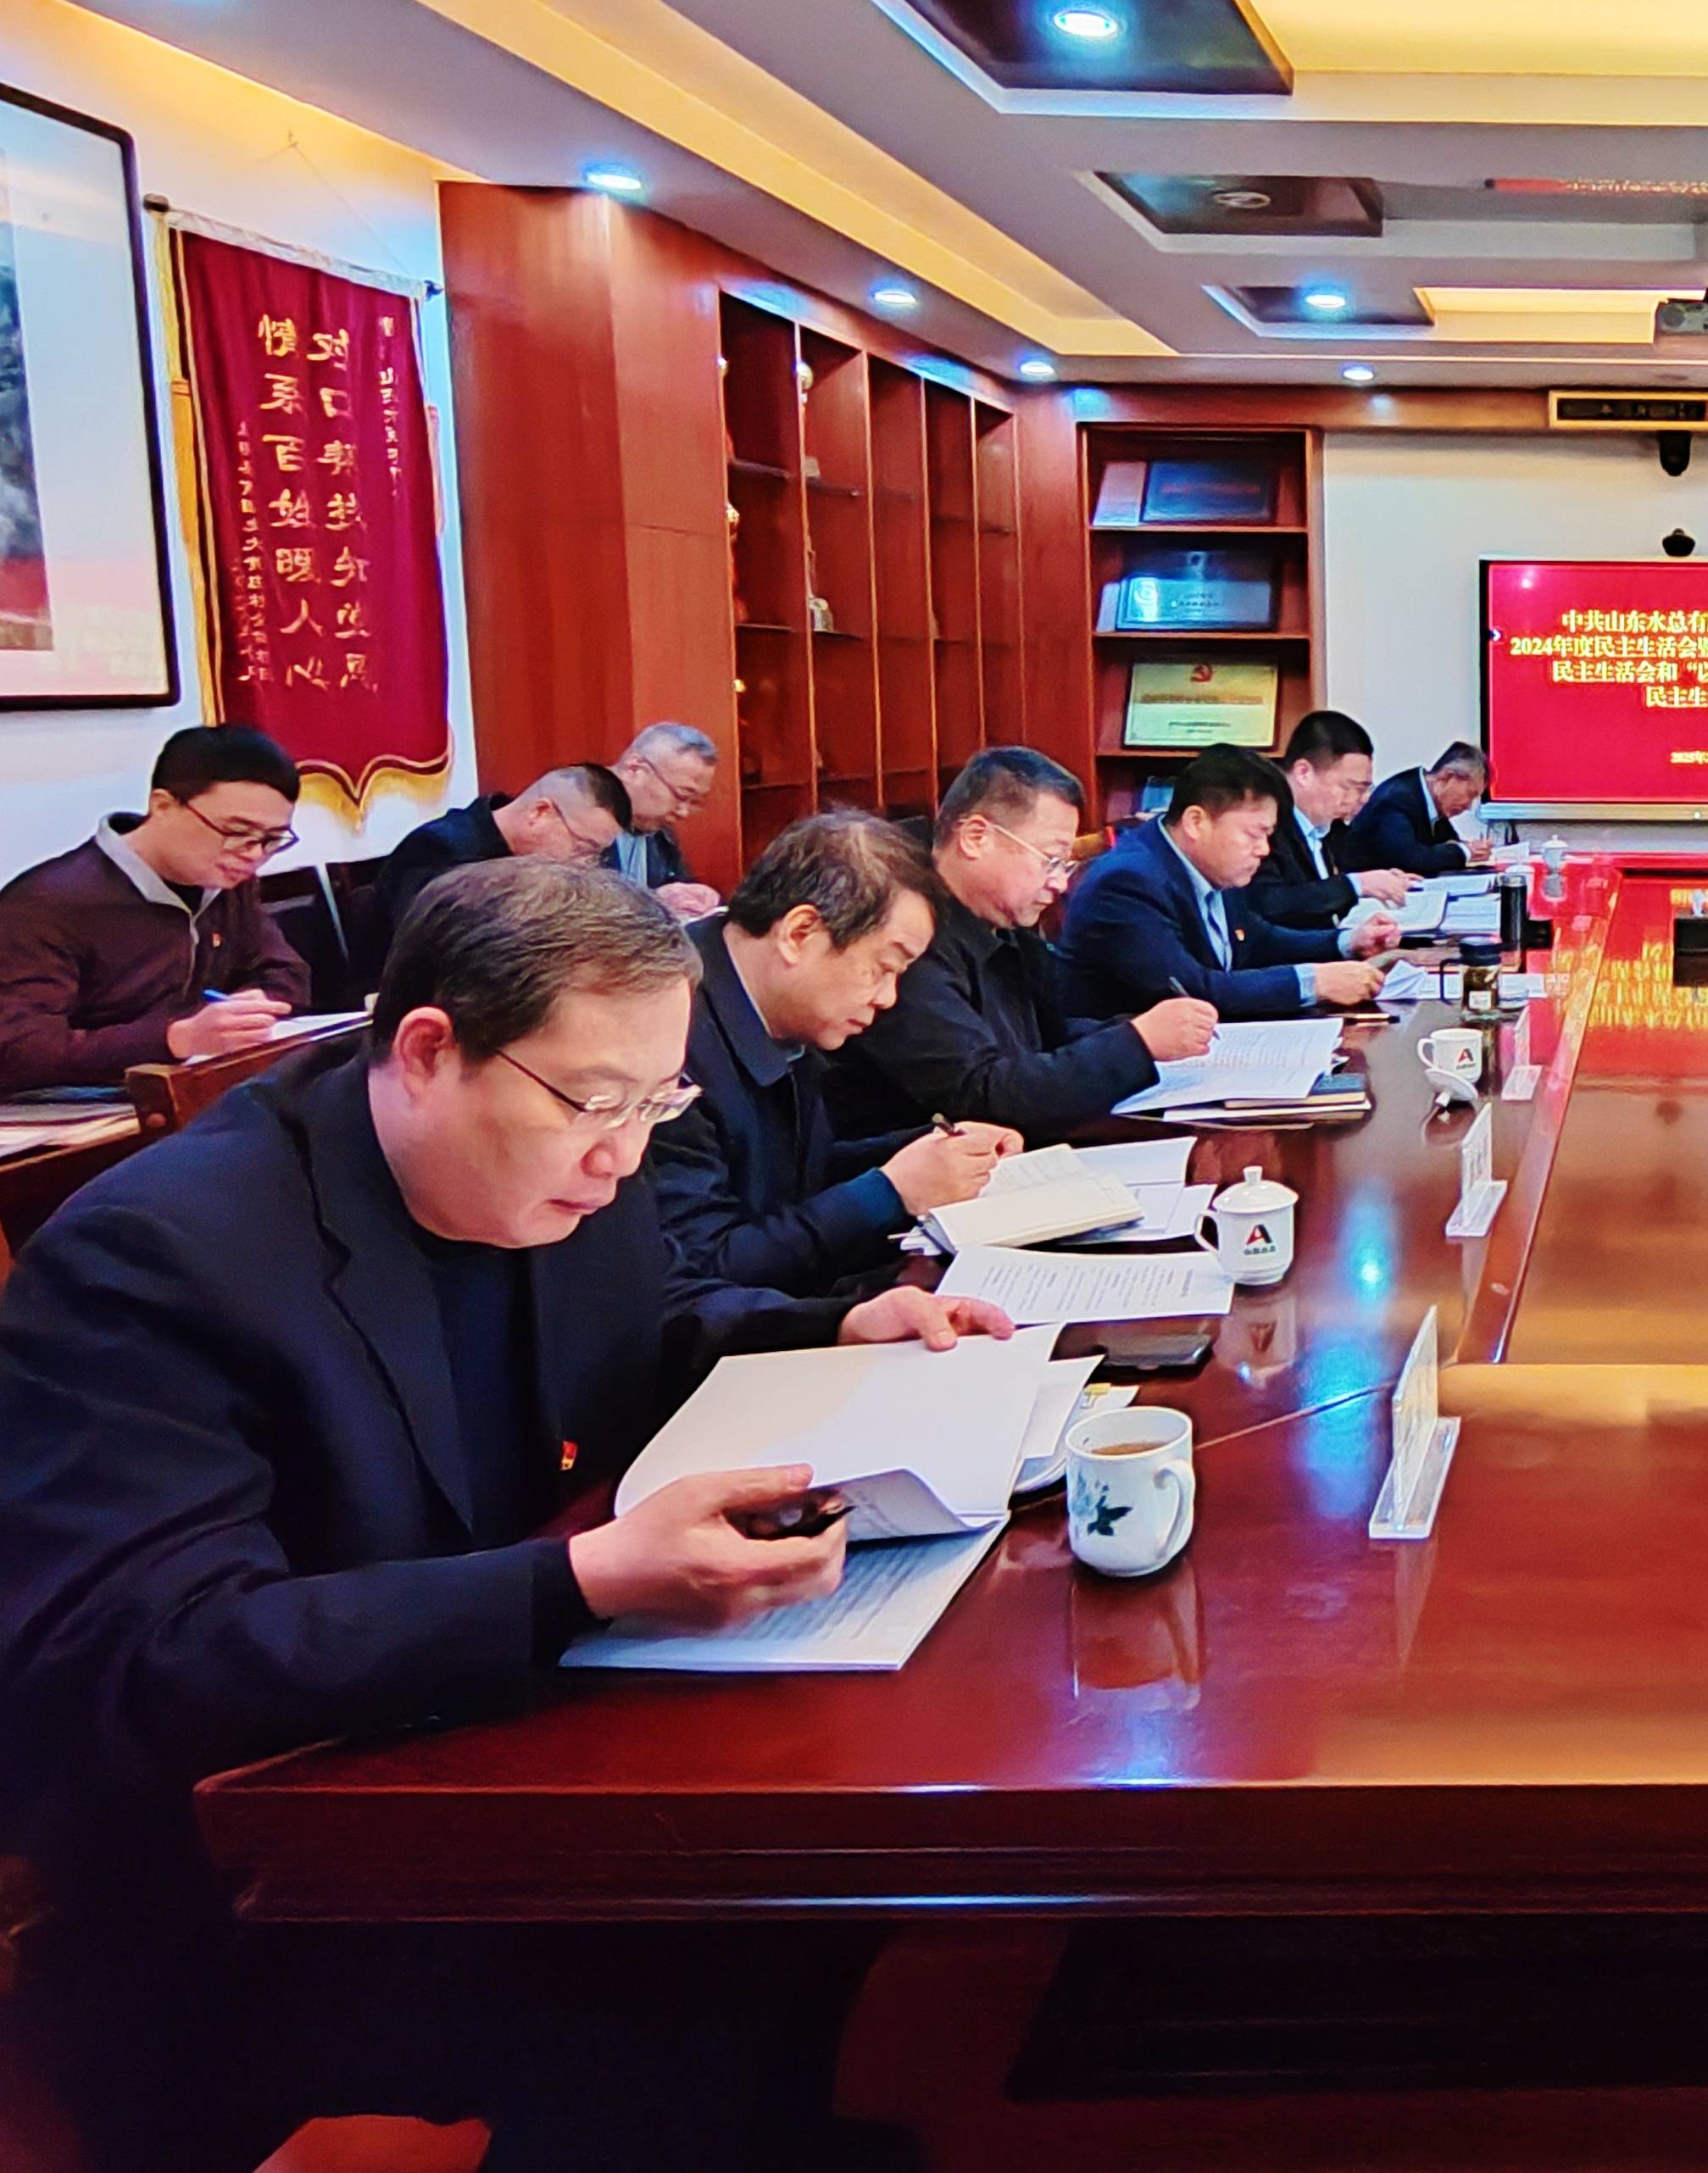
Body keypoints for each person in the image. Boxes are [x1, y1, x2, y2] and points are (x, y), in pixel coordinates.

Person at [0, 857, 1011, 2170]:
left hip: (507, 1744)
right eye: (595, 1102)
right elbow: (147, 1659)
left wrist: (831, 1323)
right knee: (710, 1944)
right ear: (430, 1051)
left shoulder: (563, 1160)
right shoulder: (162, 1257)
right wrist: (580, 1584)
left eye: (659, 1102)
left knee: (825, 1862)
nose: (625, 1155)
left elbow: (632, 1338)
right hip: (277, 1876)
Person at [650, 810, 1019, 1292]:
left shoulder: (782, 1012)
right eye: (883, 968)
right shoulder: (666, 1037)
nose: (888, 998)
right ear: (800, 933)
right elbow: (703, 1270)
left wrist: (937, 1153)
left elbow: (797, 1176)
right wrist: (888, 1191)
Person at [825, 747, 1216, 1142]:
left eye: (1065, 865)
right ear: (976, 838)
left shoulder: (1004, 921)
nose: (1060, 883)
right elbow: (980, 1094)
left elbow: (1044, 1039)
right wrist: (1137, 1043)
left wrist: (1136, 1031)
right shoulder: (906, 937)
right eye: (1050, 860)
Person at [0, 722, 312, 1093]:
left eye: (271, 839)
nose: (254, 854)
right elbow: (17, 1049)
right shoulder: (48, 904)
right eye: (236, 832)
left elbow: (286, 972)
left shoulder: (227, 882)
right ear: (163, 806)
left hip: (192, 1090)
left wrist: (250, 1009)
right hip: (79, 1108)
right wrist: (174, 1038)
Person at [1060, 743, 1396, 1021]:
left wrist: (1347, 942)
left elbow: (1256, 939)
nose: (1264, 850)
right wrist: (1314, 982)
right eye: (1254, 834)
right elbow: (1192, 991)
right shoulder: (1128, 884)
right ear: (1196, 822)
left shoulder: (1211, 864)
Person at [360, 763, 630, 964]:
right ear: (540, 813)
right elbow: (441, 951)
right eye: (582, 848)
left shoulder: (537, 863)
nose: (584, 865)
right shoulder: (438, 849)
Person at [1248, 710, 1414, 929]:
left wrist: (1381, 882)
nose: (1361, 799)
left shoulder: (1330, 828)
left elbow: (1326, 894)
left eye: (1364, 789)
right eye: (1349, 787)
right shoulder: (1264, 825)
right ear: (1303, 773)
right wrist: (1356, 885)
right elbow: (1270, 903)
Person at [609, 720, 726, 920]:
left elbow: (676, 889)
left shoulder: (660, 833)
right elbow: (569, 910)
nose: (684, 812)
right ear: (634, 769)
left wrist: (696, 897)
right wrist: (651, 903)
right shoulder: (573, 817)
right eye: (681, 796)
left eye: (694, 802)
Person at [1333, 737, 1492, 875]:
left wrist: (1469, 850)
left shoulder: (1432, 803)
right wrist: (1464, 852)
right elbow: (1411, 859)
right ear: (1447, 776)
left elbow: (1445, 847)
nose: (1469, 806)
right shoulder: (1397, 799)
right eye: (1470, 794)